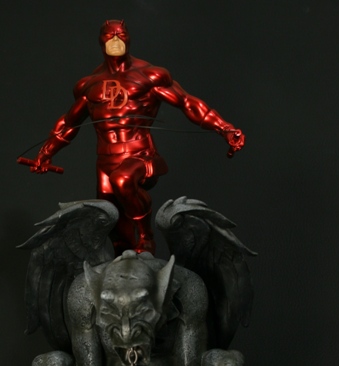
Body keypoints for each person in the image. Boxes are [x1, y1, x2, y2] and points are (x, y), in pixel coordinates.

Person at [27, 19, 245, 254]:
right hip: (105, 161)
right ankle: (123, 262)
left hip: (141, 155)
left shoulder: (149, 75)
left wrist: (225, 128)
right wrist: (46, 153)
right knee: (111, 221)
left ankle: (146, 235)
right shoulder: (88, 85)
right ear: (100, 41)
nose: (115, 40)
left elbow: (188, 103)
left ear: (129, 38)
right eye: (110, 36)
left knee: (122, 180)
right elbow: (69, 123)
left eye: (120, 35)